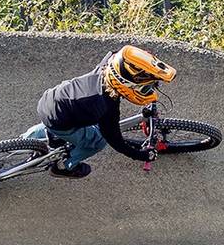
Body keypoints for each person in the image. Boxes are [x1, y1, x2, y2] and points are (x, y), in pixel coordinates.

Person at [26, 45, 176, 179]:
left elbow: (119, 55)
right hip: (60, 120)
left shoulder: (107, 66)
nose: (150, 89)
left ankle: (25, 140)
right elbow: (116, 141)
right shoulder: (106, 107)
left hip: (51, 100)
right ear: (126, 86)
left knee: (54, 121)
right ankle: (64, 166)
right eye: (145, 88)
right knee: (97, 142)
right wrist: (139, 155)